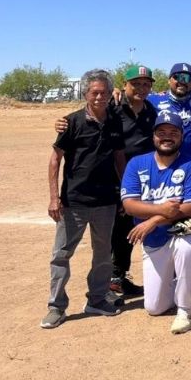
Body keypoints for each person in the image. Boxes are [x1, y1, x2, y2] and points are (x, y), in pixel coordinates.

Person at [53, 64, 155, 298]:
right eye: (135, 84)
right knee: (113, 232)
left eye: (145, 84)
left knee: (128, 229)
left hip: (142, 179)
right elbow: (90, 110)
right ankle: (111, 282)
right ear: (124, 86)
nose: (141, 88)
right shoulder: (113, 106)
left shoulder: (152, 109)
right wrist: (62, 123)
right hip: (113, 178)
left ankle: (120, 275)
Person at [42, 69, 126, 329]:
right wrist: (54, 198)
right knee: (61, 255)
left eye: (103, 92)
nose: (99, 97)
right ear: (86, 94)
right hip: (73, 202)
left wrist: (124, 193)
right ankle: (56, 307)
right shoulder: (72, 122)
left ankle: (97, 300)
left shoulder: (114, 121)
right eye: (94, 92)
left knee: (102, 255)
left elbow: (119, 158)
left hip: (105, 202)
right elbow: (56, 159)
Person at [120, 111, 191, 334]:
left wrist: (154, 220)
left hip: (182, 229)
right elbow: (129, 205)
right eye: (162, 132)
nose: (167, 137)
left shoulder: (190, 164)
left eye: (173, 132)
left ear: (181, 136)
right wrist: (161, 210)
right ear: (154, 136)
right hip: (154, 240)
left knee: (186, 250)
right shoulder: (137, 163)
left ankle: (187, 309)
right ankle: (188, 282)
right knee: (155, 307)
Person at [148, 62, 191, 162]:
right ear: (169, 80)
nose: (182, 81)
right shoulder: (154, 100)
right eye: (178, 77)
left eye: (187, 78)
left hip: (190, 164)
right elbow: (132, 101)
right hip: (162, 163)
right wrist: (117, 91)